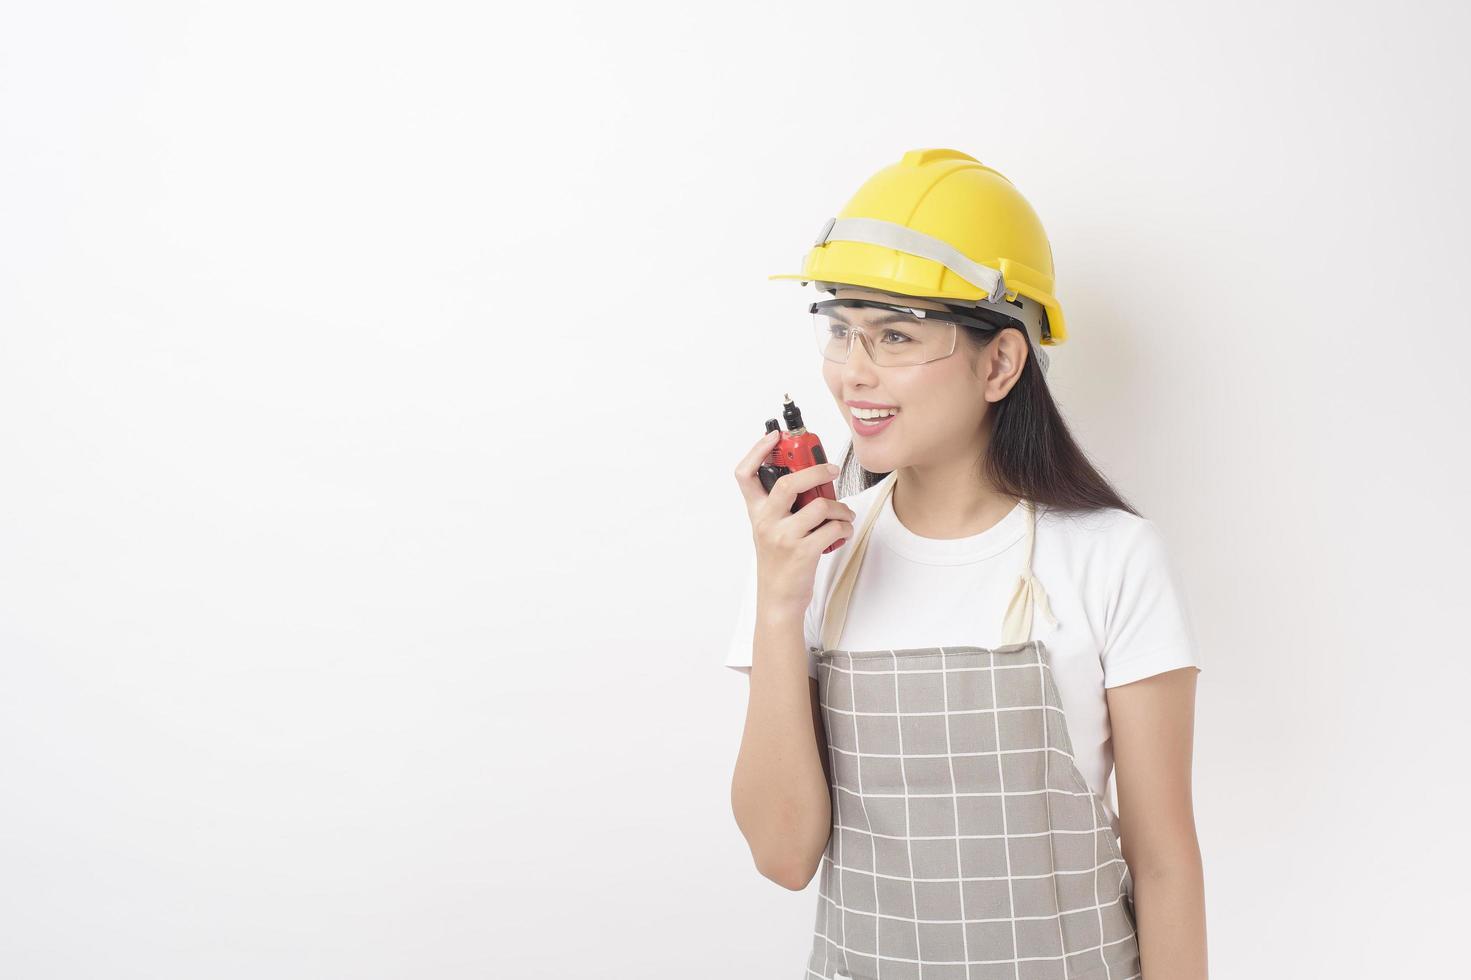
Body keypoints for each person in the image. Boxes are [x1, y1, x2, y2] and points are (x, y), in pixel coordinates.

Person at [726, 149, 1207, 980]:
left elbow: (1163, 863)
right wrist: (778, 602)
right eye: (840, 330)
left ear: (999, 363)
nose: (853, 373)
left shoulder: (1107, 556)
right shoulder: (807, 561)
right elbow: (782, 855)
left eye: (896, 336)